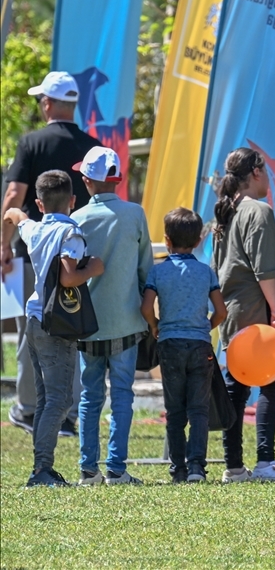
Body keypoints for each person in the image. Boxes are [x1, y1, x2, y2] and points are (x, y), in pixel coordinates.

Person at [2, 71, 100, 436]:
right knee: (72, 331)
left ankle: (29, 409)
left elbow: (14, 196)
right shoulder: (91, 144)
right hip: (76, 254)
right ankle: (68, 413)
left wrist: (3, 245)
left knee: (30, 330)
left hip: (35, 253)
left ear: (47, 103)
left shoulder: (31, 142)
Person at [1, 171, 104, 487]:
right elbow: (68, 277)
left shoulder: (35, 229)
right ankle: (41, 471)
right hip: (57, 325)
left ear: (39, 203)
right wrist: (95, 267)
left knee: (46, 398)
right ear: (73, 201)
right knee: (59, 400)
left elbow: (16, 216)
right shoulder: (69, 233)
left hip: (33, 321)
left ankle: (41, 467)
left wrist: (10, 218)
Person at [70, 147, 152, 486]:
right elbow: (146, 269)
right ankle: (117, 469)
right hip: (127, 320)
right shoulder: (135, 214)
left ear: (87, 180)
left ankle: (88, 469)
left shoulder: (77, 219)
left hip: (87, 324)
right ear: (117, 180)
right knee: (123, 393)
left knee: (90, 395)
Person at [212, 147, 275, 483]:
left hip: (231, 310)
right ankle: (264, 461)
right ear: (257, 173)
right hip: (254, 306)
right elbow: (264, 270)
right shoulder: (257, 211)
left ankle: (233, 465)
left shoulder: (226, 212)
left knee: (236, 386)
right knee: (272, 384)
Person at [142, 207, 227, 484]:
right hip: (200, 345)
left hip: (169, 344)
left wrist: (156, 325)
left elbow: (145, 307)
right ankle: (196, 467)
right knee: (199, 409)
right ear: (198, 240)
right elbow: (221, 312)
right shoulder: (206, 272)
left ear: (166, 240)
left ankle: (177, 468)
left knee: (175, 410)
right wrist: (206, 328)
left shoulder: (158, 272)